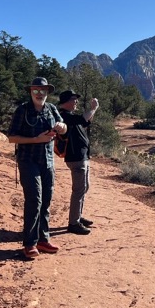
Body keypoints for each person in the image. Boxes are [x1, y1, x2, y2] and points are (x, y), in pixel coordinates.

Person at [8, 77, 67, 259]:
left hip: (48, 161)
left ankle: (43, 239)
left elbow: (63, 128)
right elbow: (12, 137)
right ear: (30, 91)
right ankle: (30, 243)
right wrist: (35, 140)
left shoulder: (51, 109)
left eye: (43, 90)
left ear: (47, 92)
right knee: (34, 200)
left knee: (46, 201)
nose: (39, 93)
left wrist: (61, 127)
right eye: (36, 90)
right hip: (28, 161)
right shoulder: (22, 110)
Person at [58, 89, 99, 235]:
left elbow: (85, 123)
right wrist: (93, 108)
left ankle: (77, 217)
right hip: (76, 158)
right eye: (73, 99)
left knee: (84, 188)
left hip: (82, 157)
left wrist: (91, 113)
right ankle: (73, 223)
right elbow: (82, 119)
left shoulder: (70, 116)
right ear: (66, 102)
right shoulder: (63, 116)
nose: (76, 102)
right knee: (79, 190)